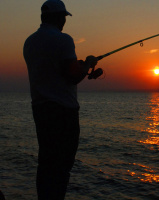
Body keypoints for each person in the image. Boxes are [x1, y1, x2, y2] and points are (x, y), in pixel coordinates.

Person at [23, 0, 98, 199]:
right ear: (58, 17)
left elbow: (54, 69)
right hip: (63, 112)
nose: (65, 21)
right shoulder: (63, 39)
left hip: (40, 109)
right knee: (62, 166)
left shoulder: (29, 42)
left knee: (46, 163)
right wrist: (88, 64)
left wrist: (78, 66)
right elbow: (71, 76)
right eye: (64, 17)